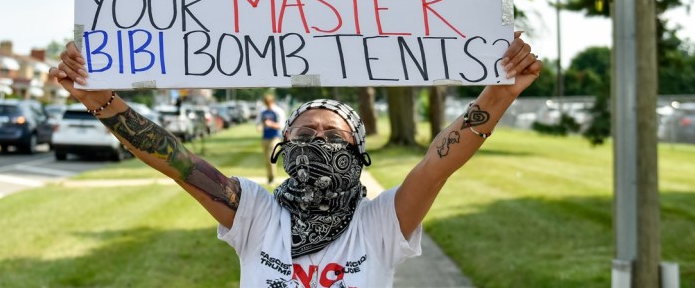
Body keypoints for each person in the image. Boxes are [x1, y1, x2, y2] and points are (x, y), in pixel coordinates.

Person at [50, 31, 541, 288]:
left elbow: (439, 162)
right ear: (285, 147)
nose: (319, 143)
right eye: (306, 134)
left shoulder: (380, 224)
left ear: (357, 152)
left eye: (334, 135)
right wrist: (99, 99)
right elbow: (176, 160)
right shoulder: (255, 215)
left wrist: (499, 93)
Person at [259, 93, 286, 184]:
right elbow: (260, 122)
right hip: (265, 137)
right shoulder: (263, 111)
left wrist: (271, 124)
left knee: (271, 157)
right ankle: (269, 177)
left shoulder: (278, 111)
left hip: (275, 137)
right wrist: (260, 126)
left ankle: (273, 178)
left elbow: (282, 125)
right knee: (267, 159)